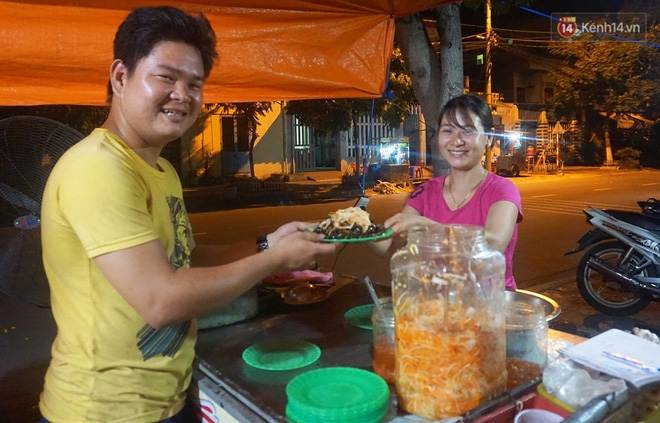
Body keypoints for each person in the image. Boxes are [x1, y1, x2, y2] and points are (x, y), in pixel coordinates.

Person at [38, 6, 338, 423]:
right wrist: (274, 260)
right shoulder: (99, 167)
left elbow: (184, 259)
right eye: (166, 77)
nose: (183, 94)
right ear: (120, 77)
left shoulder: (159, 171)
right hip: (103, 411)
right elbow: (162, 299)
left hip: (167, 399)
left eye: (195, 84)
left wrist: (270, 241)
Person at [369, 94, 522, 290]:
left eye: (468, 131)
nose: (456, 141)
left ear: (489, 137)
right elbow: (392, 245)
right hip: (437, 305)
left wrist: (424, 226)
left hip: (490, 307)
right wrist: (360, 229)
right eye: (448, 130)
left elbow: (494, 243)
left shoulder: (501, 189)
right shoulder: (425, 192)